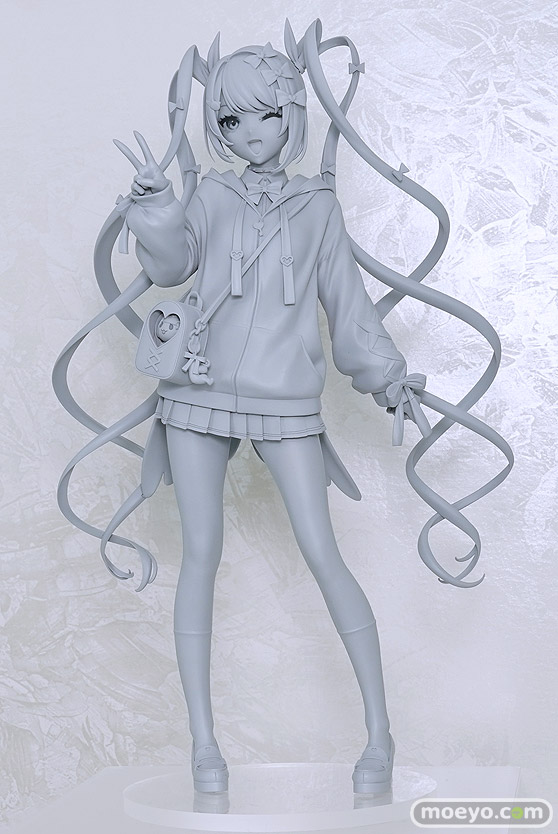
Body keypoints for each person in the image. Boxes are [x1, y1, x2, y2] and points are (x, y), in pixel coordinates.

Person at [53, 20, 512, 797]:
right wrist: (157, 210)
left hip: (286, 398)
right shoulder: (211, 193)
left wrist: (388, 376)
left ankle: (380, 735)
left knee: (323, 553)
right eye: (232, 118)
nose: (251, 132)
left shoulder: (317, 207)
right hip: (196, 393)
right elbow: (172, 266)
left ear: (294, 114)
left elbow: (348, 307)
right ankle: (205, 748)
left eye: (267, 113)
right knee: (201, 556)